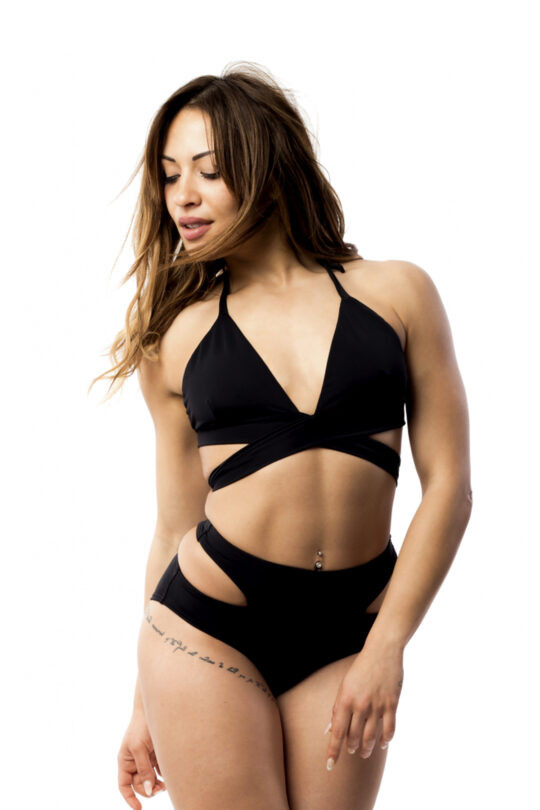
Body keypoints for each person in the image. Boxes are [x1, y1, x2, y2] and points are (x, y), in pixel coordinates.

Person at [93, 64, 472, 810]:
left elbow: (450, 487)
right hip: (205, 630)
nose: (183, 196)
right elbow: (175, 523)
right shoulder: (177, 338)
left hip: (352, 628)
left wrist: (387, 646)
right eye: (169, 176)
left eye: (208, 171)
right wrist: (144, 703)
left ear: (267, 170)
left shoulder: (398, 294)